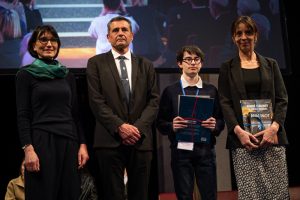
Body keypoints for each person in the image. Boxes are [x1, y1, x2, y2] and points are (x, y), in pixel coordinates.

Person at [86, 16, 159, 200]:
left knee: (140, 194)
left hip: (140, 140)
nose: (120, 33)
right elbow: (96, 101)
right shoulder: (95, 63)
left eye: (124, 30)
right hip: (109, 139)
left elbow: (153, 101)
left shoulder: (147, 65)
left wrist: (137, 129)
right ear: (108, 37)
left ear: (132, 36)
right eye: (115, 30)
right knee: (112, 195)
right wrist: (120, 127)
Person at [217, 15, 289, 199]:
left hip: (271, 138)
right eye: (238, 33)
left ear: (256, 35)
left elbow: (282, 99)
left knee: (277, 193)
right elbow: (224, 102)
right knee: (251, 195)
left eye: (248, 32)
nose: (244, 37)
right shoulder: (227, 67)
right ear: (233, 38)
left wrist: (273, 128)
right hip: (244, 142)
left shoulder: (271, 65)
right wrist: (239, 131)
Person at [15, 24, 89, 200]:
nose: (49, 44)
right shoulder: (25, 75)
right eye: (43, 39)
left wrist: (83, 145)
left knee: (69, 193)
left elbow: (75, 115)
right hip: (41, 142)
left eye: (53, 40)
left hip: (69, 142)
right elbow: (23, 115)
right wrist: (28, 149)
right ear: (34, 46)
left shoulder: (67, 75)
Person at [156, 45, 224, 200]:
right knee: (184, 196)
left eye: (196, 59)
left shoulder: (211, 90)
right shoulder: (170, 91)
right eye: (188, 59)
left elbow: (221, 121)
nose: (192, 63)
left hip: (205, 151)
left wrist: (215, 125)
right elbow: (160, 123)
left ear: (201, 63)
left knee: (209, 195)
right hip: (181, 151)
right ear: (180, 63)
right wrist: (171, 126)